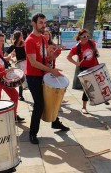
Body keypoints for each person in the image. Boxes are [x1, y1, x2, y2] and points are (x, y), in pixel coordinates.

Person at [25, 13, 69, 145]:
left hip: (44, 74)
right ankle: (32, 133)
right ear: (33, 23)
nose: (43, 25)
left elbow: (45, 59)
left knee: (53, 99)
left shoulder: (44, 39)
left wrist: (54, 55)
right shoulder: (30, 40)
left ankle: (55, 122)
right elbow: (33, 62)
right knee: (39, 104)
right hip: (33, 77)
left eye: (44, 23)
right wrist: (52, 71)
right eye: (40, 23)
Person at [67, 29, 100, 114]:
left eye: (87, 36)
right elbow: (68, 57)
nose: (86, 38)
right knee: (87, 88)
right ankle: (84, 107)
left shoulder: (91, 42)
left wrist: (96, 53)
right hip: (84, 68)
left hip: (95, 66)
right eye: (84, 36)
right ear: (80, 37)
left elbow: (95, 50)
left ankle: (102, 98)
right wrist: (76, 63)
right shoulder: (76, 47)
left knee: (99, 83)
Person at [44, 28, 68, 104]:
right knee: (49, 85)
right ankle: (53, 99)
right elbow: (49, 58)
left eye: (48, 34)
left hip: (52, 67)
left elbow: (54, 57)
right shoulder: (42, 45)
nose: (46, 36)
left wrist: (59, 49)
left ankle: (58, 98)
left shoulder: (52, 44)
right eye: (45, 34)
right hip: (44, 69)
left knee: (62, 82)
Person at [4, 30, 26, 101]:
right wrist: (11, 59)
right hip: (19, 64)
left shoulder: (25, 43)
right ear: (18, 37)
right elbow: (5, 54)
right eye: (21, 35)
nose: (22, 36)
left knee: (26, 78)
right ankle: (20, 95)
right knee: (20, 79)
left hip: (26, 62)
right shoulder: (14, 46)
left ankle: (22, 92)